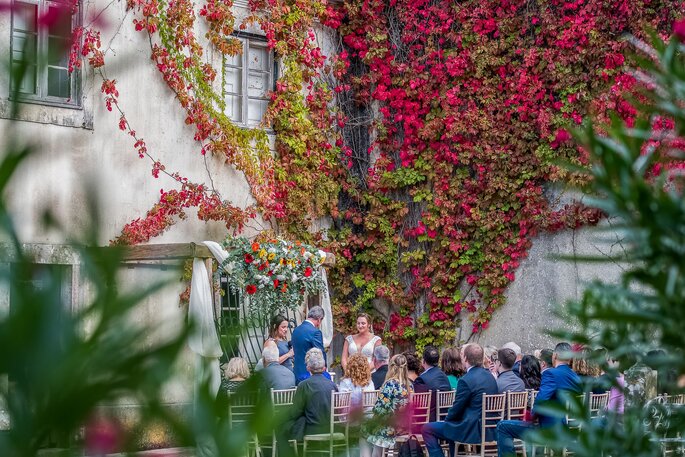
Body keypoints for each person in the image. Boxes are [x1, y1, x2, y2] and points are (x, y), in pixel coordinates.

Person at [496, 342, 582, 457]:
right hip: (566, 429)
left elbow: (541, 401)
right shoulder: (575, 377)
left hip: (547, 429)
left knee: (502, 426)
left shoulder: (551, 374)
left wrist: (531, 418)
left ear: (555, 356)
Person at [421, 343, 499, 457]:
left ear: (466, 358)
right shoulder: (490, 377)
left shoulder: (466, 380)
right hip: (490, 429)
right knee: (451, 427)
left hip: (471, 430)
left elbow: (457, 408)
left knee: (427, 428)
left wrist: (447, 420)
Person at [277, 348, 337, 457]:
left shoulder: (304, 385)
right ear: (324, 368)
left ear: (308, 367)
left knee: (281, 428)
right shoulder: (332, 385)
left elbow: (296, 411)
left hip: (312, 428)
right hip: (331, 428)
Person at [361, 354, 413, 457]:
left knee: (364, 429)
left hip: (391, 427)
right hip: (405, 427)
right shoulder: (409, 385)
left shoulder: (390, 384)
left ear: (392, 367)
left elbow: (380, 409)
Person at [414, 345, 452, 422]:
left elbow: (418, 406)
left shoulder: (421, 380)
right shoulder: (445, 377)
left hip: (427, 422)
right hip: (444, 420)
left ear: (423, 361)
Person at [291, 306, 327, 383]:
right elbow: (320, 353)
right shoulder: (315, 332)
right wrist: (324, 368)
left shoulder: (296, 330)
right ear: (319, 319)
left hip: (296, 373)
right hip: (310, 375)